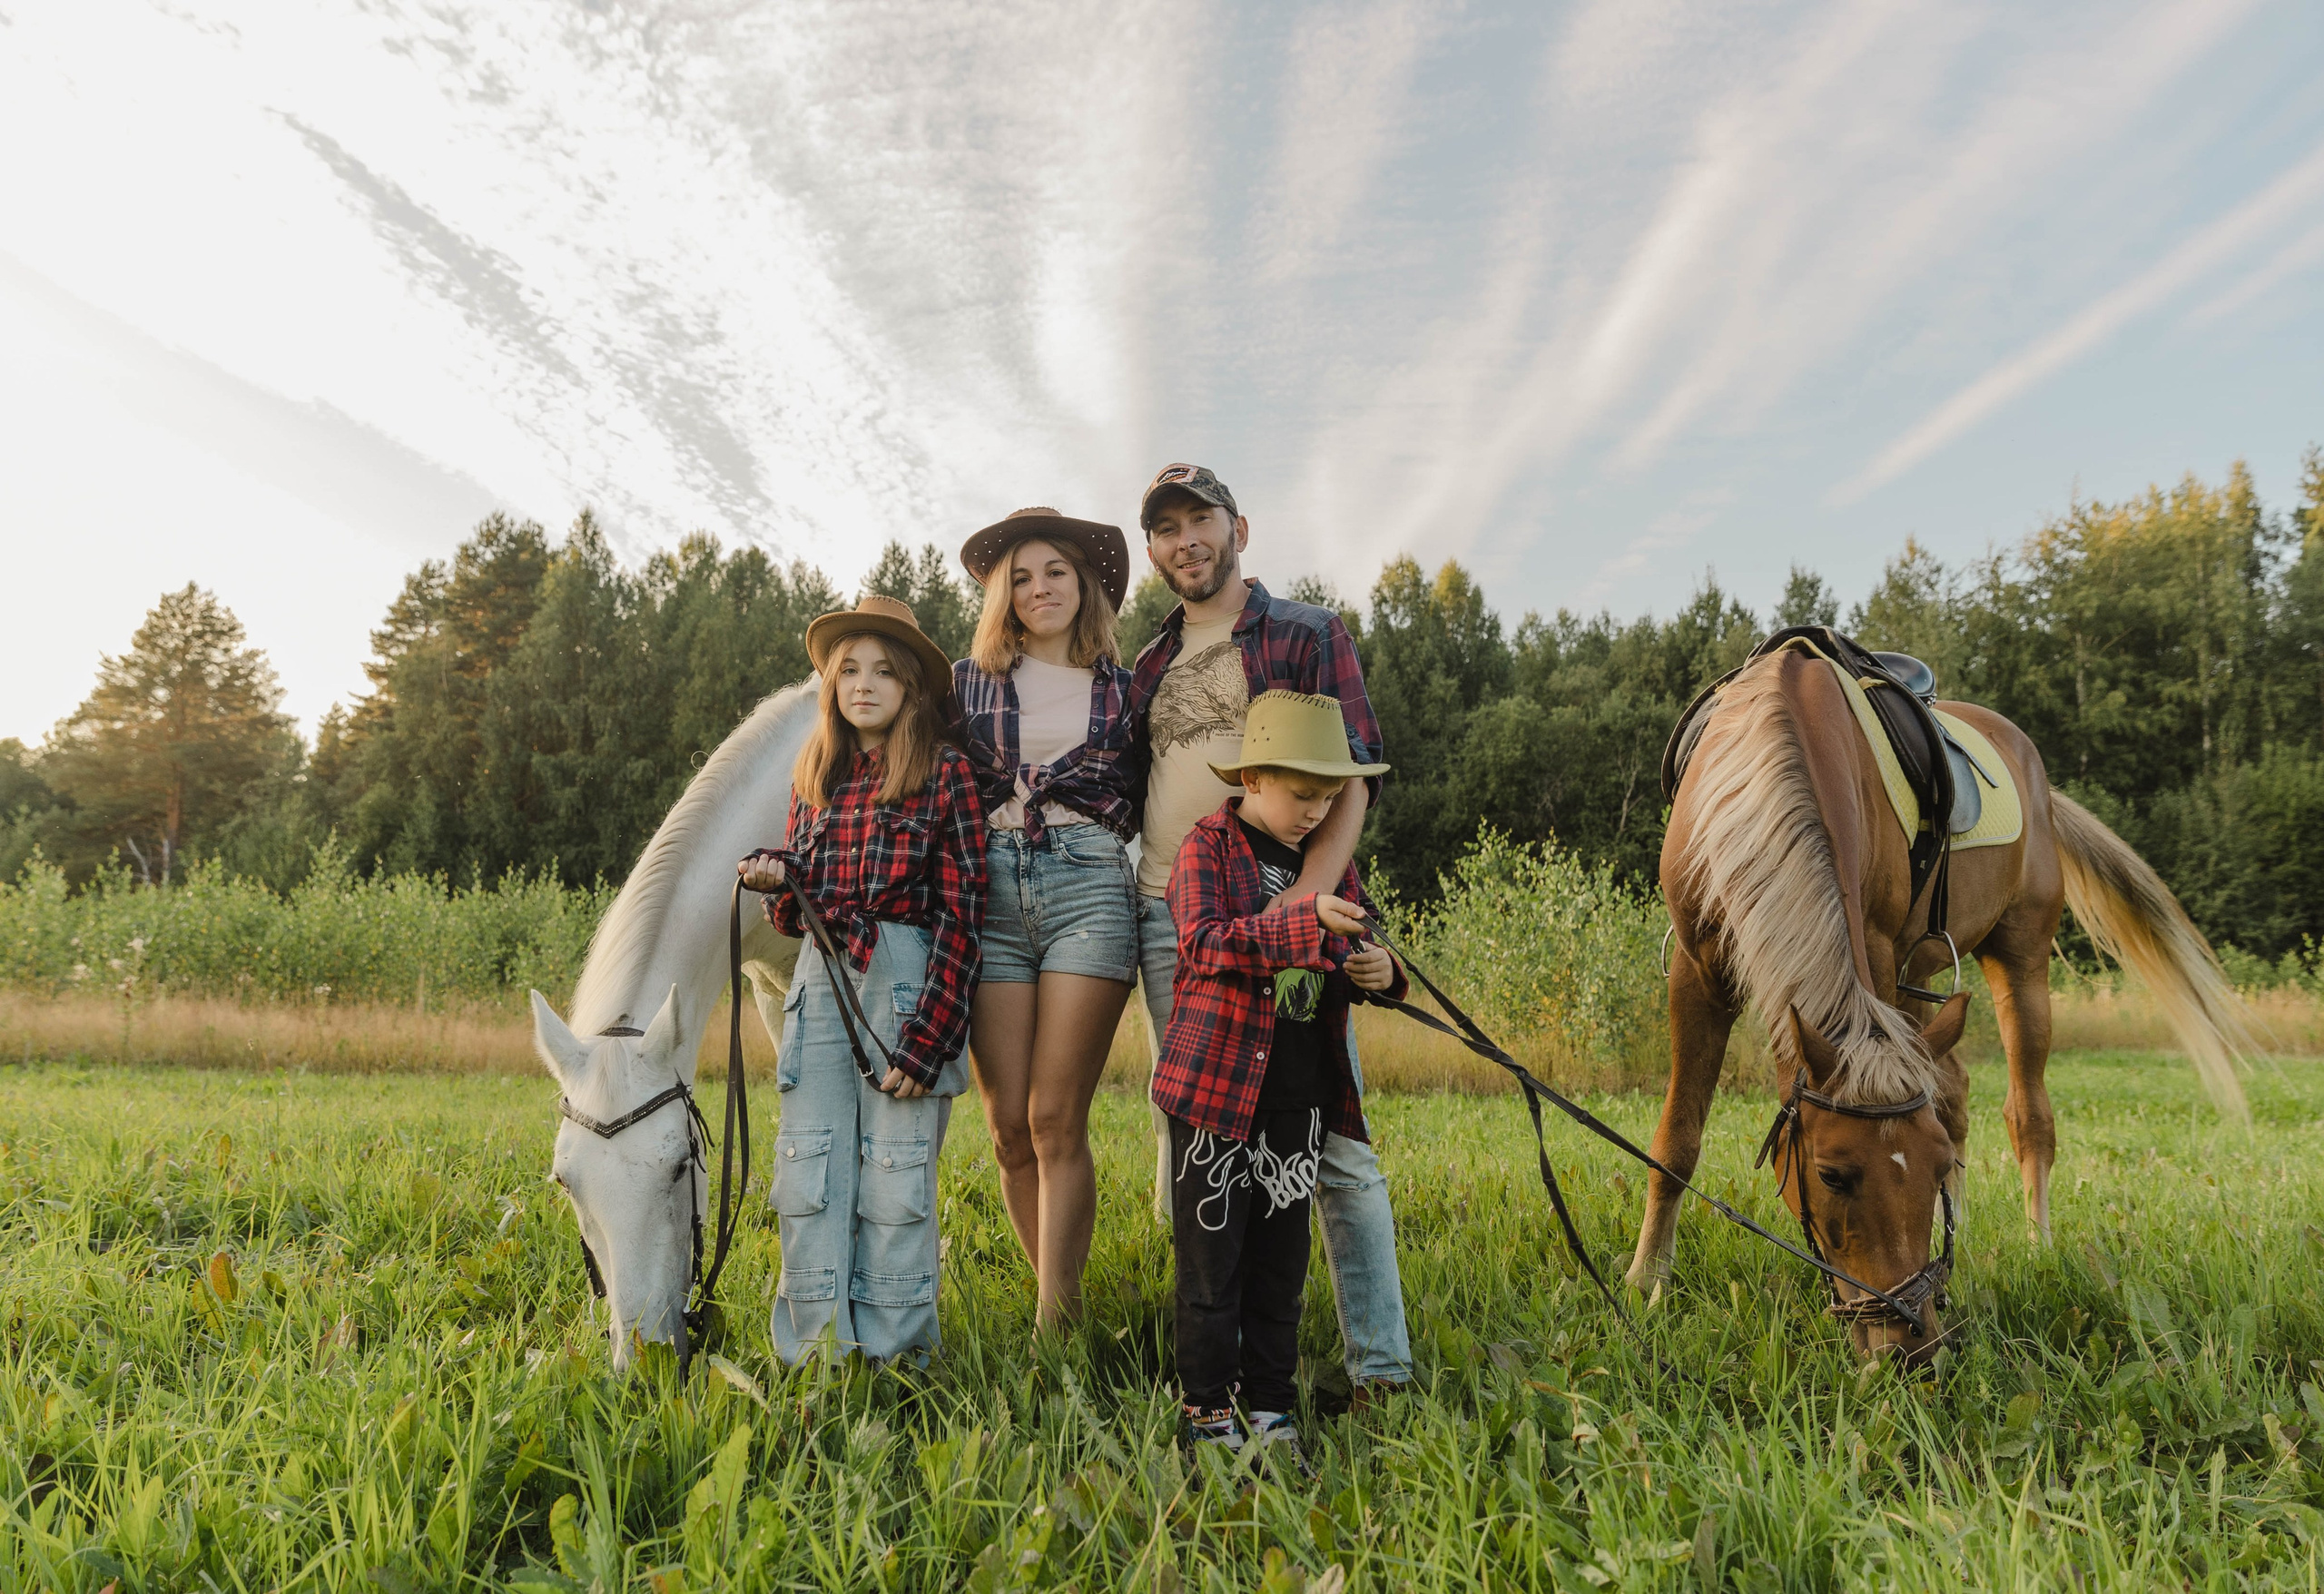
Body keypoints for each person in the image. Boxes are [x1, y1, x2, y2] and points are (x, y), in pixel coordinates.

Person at [1126, 461, 1417, 1402]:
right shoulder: (1147, 663)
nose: (1186, 541)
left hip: (1288, 903)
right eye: (1166, 527)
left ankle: (1379, 1365)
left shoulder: (1305, 632)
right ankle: (1213, 1355)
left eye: (1200, 519)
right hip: (1172, 913)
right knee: (1198, 1131)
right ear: (1153, 548)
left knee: (1327, 1137)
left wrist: (1302, 911)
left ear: (1238, 528)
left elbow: (1354, 777)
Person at [1156, 690, 1407, 1461]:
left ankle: (1270, 1408)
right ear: (1254, 778)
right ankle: (1208, 1412)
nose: (1316, 813)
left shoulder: (1332, 867)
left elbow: (1361, 945)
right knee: (1211, 1267)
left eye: (1330, 798)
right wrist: (1303, 922)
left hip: (1298, 1102)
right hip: (1215, 1097)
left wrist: (1381, 970)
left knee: (1280, 1268)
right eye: (1303, 795)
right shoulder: (1207, 849)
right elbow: (1203, 944)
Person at [737, 595, 984, 1365]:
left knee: (895, 1172)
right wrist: (779, 880)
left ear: (910, 686)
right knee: (808, 1161)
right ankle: (815, 1353)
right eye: (849, 670)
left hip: (905, 977)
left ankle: (896, 1355)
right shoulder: (815, 777)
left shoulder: (945, 773)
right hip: (822, 977)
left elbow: (965, 913)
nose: (864, 685)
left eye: (883, 671)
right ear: (832, 686)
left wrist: (931, 1038)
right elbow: (796, 916)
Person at [951, 507, 1141, 1330]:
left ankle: (1055, 1333)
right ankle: (1059, 1298)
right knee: (1006, 1128)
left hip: (1088, 885)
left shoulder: (1127, 690)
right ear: (1004, 595)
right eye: (1022, 578)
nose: (1040, 589)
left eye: (1056, 572)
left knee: (1055, 1118)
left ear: (1084, 583)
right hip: (990, 892)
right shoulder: (965, 682)